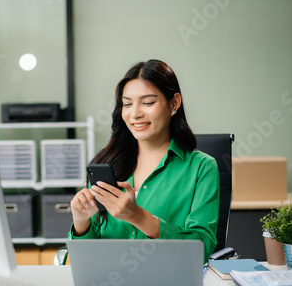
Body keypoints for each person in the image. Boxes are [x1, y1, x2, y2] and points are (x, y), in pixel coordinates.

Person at [67, 59, 220, 261]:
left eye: (148, 102)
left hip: (169, 285)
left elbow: (201, 249)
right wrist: (81, 222)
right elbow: (85, 260)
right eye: (127, 104)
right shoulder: (107, 162)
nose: (135, 114)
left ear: (174, 103)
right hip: (107, 285)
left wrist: (137, 216)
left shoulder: (202, 168)